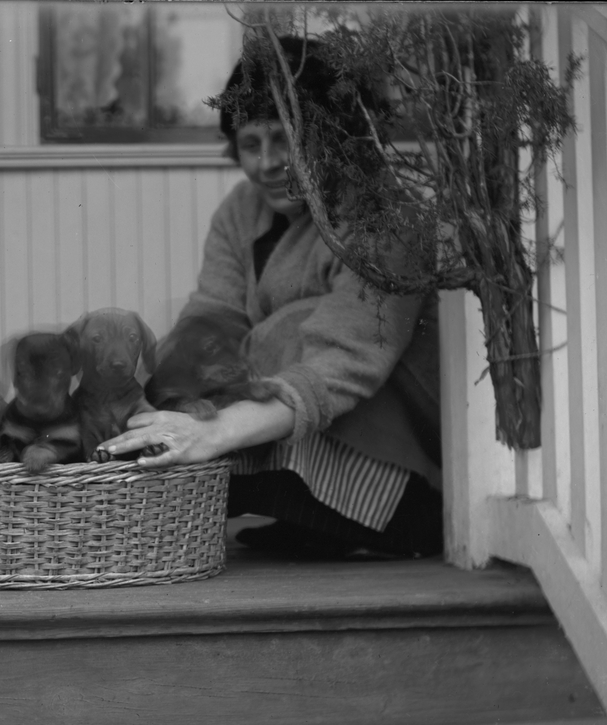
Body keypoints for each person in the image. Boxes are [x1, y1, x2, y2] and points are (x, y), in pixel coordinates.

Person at [101, 37, 443, 559]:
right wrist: (153, 410)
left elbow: (344, 362)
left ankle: (376, 522)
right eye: (250, 144)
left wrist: (213, 433)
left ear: (334, 136)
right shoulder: (241, 210)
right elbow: (210, 321)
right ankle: (304, 519)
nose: (268, 163)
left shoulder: (385, 218)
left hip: (397, 451)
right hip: (292, 422)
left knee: (291, 325)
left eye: (285, 140)